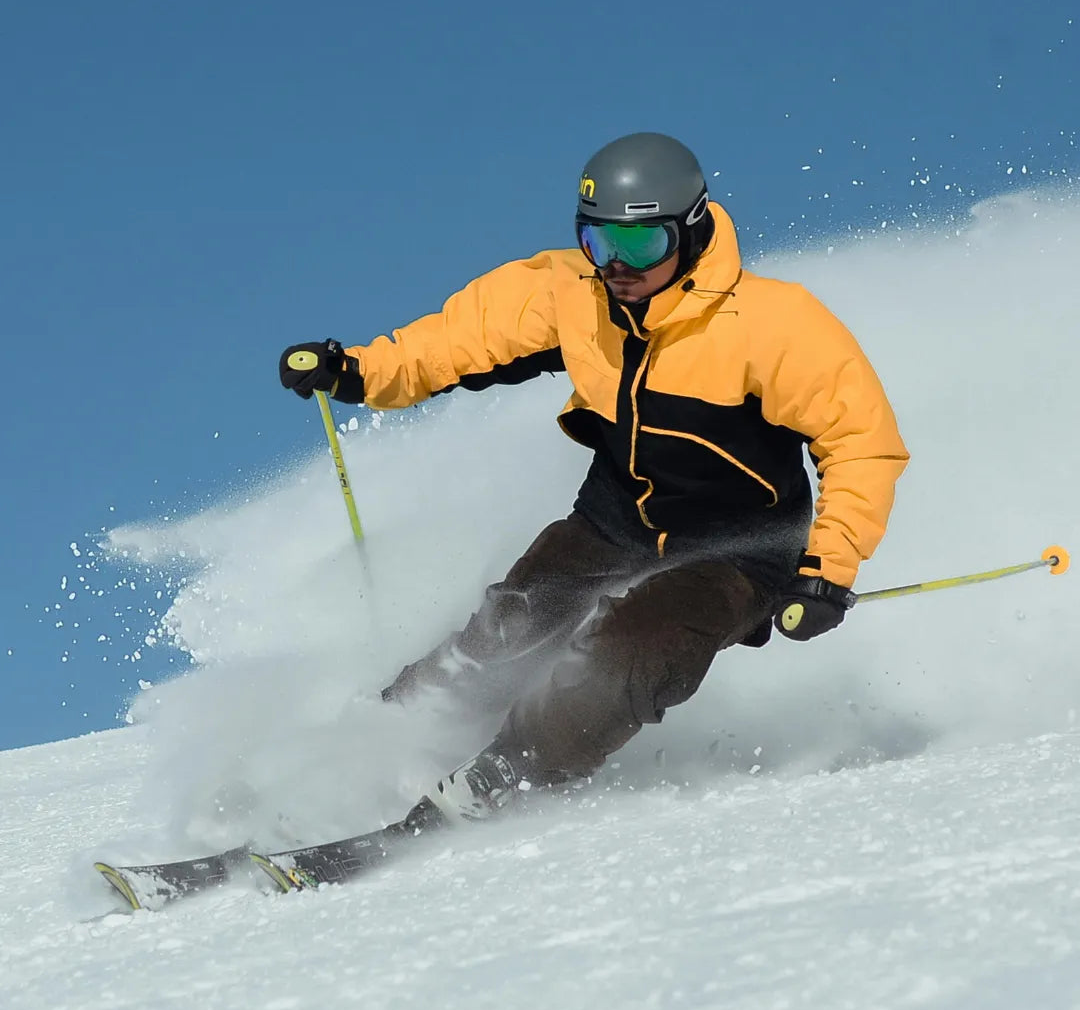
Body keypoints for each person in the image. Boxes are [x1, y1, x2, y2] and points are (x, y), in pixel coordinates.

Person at [279, 132, 908, 830]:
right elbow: (459, 340)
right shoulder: (574, 295)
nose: (615, 267)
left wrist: (827, 571)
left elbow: (863, 444)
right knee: (508, 628)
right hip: (615, 522)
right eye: (597, 243)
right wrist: (360, 372)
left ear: (691, 231)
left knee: (631, 648)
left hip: (740, 552)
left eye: (637, 247)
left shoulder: (773, 325)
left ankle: (507, 774)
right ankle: (371, 746)